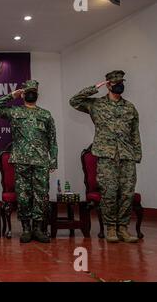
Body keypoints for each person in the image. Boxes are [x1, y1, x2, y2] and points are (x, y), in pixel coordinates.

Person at [70, 70, 141, 243]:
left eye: (121, 81)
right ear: (108, 84)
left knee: (127, 193)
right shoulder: (96, 105)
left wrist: (137, 154)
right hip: (106, 156)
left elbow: (135, 133)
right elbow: (74, 101)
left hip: (126, 156)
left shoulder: (130, 107)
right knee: (109, 192)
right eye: (115, 82)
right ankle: (110, 228)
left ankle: (123, 228)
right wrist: (94, 88)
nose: (119, 85)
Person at [0, 80, 57, 243]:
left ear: (37, 95)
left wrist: (53, 160)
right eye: (28, 91)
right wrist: (11, 95)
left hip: (41, 161)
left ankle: (38, 229)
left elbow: (52, 139)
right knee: (24, 196)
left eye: (34, 91)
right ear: (23, 94)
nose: (31, 93)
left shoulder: (45, 114)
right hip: (21, 160)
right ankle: (26, 229)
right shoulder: (15, 112)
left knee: (41, 195)